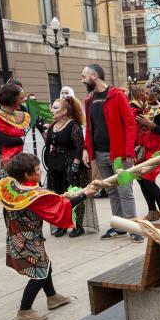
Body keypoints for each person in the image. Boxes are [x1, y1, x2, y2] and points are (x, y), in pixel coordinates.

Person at [0, 153, 97, 320]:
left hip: (18, 236)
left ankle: (52, 297)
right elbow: (60, 207)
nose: (40, 171)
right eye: (36, 170)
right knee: (39, 273)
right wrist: (85, 195)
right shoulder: (34, 195)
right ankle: (24, 310)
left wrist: (75, 193)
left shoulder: (13, 188)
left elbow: (53, 200)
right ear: (27, 175)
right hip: (27, 240)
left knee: (45, 266)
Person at [81, 63, 142, 242]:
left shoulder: (117, 96)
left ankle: (134, 227)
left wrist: (129, 151)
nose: (82, 79)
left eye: (84, 76)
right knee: (112, 192)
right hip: (100, 155)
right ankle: (120, 227)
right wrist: (86, 149)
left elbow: (130, 124)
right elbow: (89, 128)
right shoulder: (90, 100)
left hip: (119, 156)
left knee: (125, 191)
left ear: (94, 75)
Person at [44, 95, 94, 237]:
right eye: (51, 107)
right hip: (56, 165)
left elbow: (79, 147)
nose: (51, 110)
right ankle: (62, 224)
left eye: (55, 108)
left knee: (74, 194)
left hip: (70, 164)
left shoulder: (73, 125)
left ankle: (78, 226)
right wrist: (41, 131)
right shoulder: (53, 126)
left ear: (64, 111)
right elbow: (51, 144)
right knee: (58, 195)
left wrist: (74, 166)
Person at [135, 77, 160, 221]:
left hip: (155, 149)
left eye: (147, 91)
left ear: (155, 93)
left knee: (149, 180)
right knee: (140, 179)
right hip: (142, 148)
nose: (145, 93)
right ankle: (152, 211)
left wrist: (150, 125)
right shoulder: (143, 106)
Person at [0, 83, 29, 178]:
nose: (23, 101)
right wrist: (26, 138)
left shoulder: (21, 114)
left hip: (23, 158)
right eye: (21, 98)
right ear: (12, 99)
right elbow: (4, 141)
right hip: (7, 161)